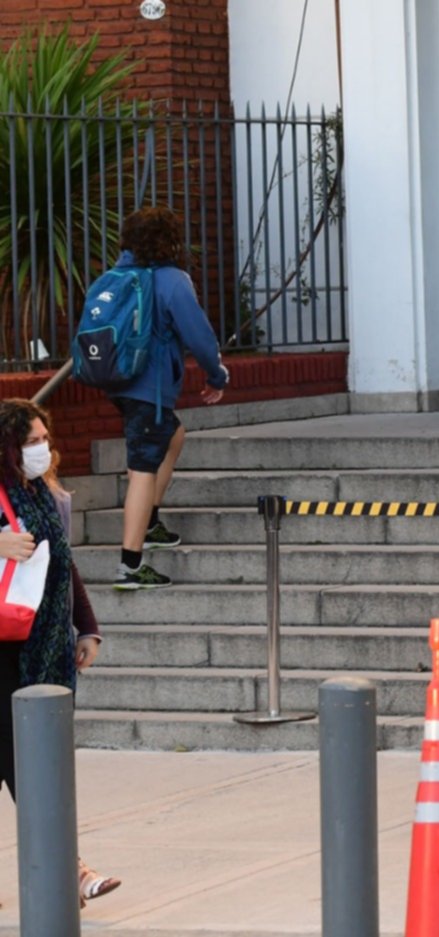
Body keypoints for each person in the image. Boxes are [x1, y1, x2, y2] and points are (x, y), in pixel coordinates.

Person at [0, 400, 120, 907]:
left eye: (44, 438)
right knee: (27, 764)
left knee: (33, 763)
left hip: (41, 650)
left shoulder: (46, 496)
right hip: (4, 652)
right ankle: (69, 871)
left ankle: (65, 871)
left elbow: (62, 564)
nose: (41, 448)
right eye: (30, 441)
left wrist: (85, 627)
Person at [109, 207, 230, 591]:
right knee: (142, 468)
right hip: (150, 390)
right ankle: (130, 564)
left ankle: (152, 521)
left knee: (173, 436)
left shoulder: (117, 276)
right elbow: (200, 337)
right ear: (169, 240)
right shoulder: (172, 281)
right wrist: (216, 375)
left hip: (119, 383)